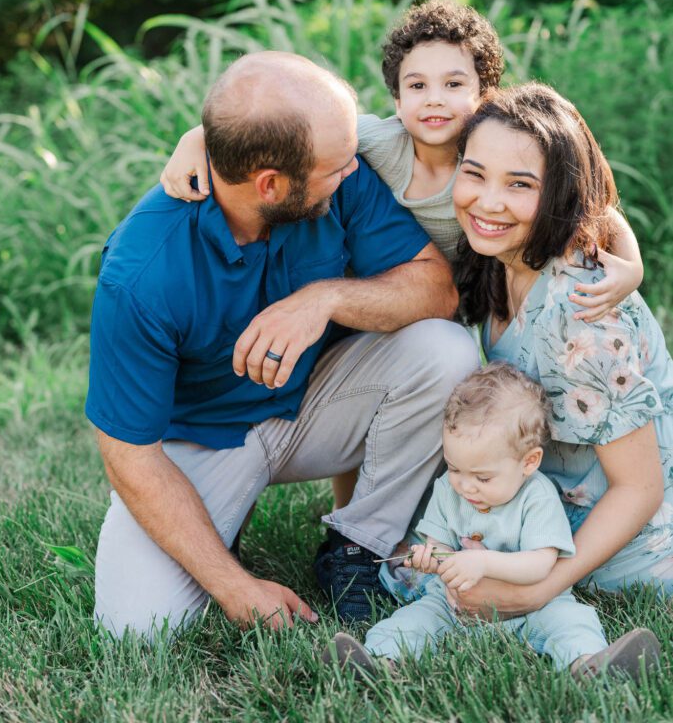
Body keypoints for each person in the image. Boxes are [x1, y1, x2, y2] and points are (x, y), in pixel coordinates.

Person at [160, 0, 645, 514]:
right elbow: (276, 134)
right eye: (417, 86)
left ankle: (442, 500)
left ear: (485, 95)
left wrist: (632, 265)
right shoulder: (375, 141)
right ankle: (348, 523)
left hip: (459, 297)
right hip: (375, 295)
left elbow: (592, 205)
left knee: (451, 396)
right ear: (396, 98)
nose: (435, 100)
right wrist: (199, 141)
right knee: (370, 412)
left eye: (454, 85)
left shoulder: (492, 149)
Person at [86, 50, 481, 639]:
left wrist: (322, 298)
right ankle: (221, 523)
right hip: (202, 443)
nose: (352, 172)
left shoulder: (337, 177)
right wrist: (234, 586)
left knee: (446, 350)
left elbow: (435, 289)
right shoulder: (141, 275)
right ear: (270, 184)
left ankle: (357, 547)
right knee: (136, 627)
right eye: (337, 166)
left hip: (317, 408)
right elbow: (129, 455)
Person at [441, 81, 673, 622]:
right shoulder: (499, 261)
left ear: (559, 196)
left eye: (519, 185)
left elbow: (639, 488)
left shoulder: (578, 309)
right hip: (542, 506)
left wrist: (540, 588)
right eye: (474, 173)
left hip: (629, 543)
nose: (488, 201)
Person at [324, 363, 660, 680]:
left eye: (482, 477)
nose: (465, 485)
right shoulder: (448, 489)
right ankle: (380, 661)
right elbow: (439, 545)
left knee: (571, 620)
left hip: (533, 604)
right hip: (455, 604)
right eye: (454, 468)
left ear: (528, 462)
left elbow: (541, 564)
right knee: (413, 620)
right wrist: (432, 558)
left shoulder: (538, 496)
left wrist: (482, 562)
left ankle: (588, 664)